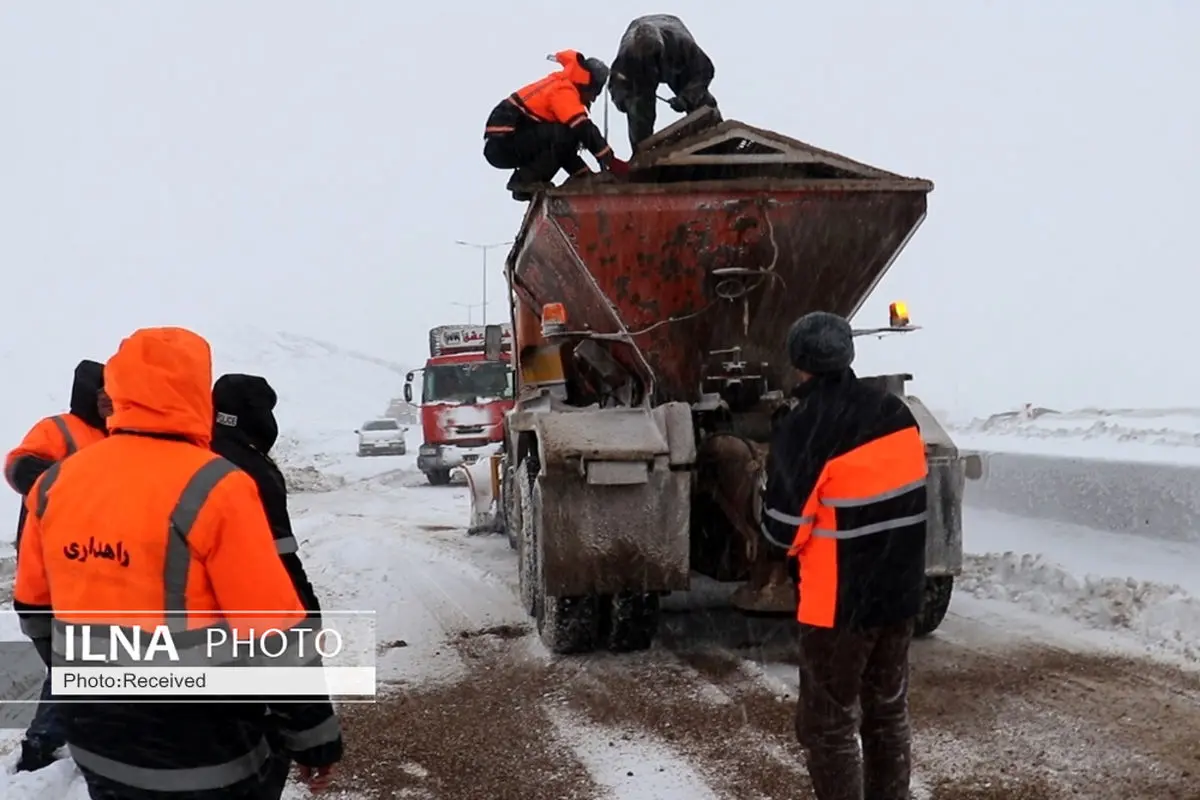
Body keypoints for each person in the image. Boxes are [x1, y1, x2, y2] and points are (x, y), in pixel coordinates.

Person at [13, 327, 343, 800]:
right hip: (203, 750)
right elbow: (275, 634)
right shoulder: (217, 486)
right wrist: (314, 740)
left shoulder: (55, 482)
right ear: (196, 390)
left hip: (97, 741)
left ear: (119, 388)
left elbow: (34, 612)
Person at [759, 311, 928, 800]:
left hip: (839, 604)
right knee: (886, 712)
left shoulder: (805, 428)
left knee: (828, 725)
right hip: (898, 594)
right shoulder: (896, 414)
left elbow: (782, 534)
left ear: (798, 364)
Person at [4, 358, 110, 773]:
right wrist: (69, 483)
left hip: (90, 574)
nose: (108, 402)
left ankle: (58, 739)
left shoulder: (116, 436)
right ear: (86, 392)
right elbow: (17, 465)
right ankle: (41, 747)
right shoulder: (58, 428)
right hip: (49, 576)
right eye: (102, 393)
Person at [483, 49, 630, 201]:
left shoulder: (560, 85)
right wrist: (611, 161)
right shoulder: (563, 89)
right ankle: (524, 182)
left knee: (566, 136)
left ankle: (525, 186)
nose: (592, 99)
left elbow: (562, 150)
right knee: (570, 132)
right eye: (594, 93)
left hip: (508, 141)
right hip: (504, 142)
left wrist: (585, 176)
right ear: (588, 85)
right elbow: (583, 128)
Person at [608, 14, 718, 152]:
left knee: (701, 101)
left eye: (654, 56)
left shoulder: (682, 44)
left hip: (675, 64)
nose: (652, 62)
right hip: (640, 75)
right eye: (647, 59)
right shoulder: (627, 57)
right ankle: (642, 153)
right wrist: (626, 103)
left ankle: (716, 136)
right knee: (638, 108)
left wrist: (686, 98)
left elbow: (705, 70)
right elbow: (616, 86)